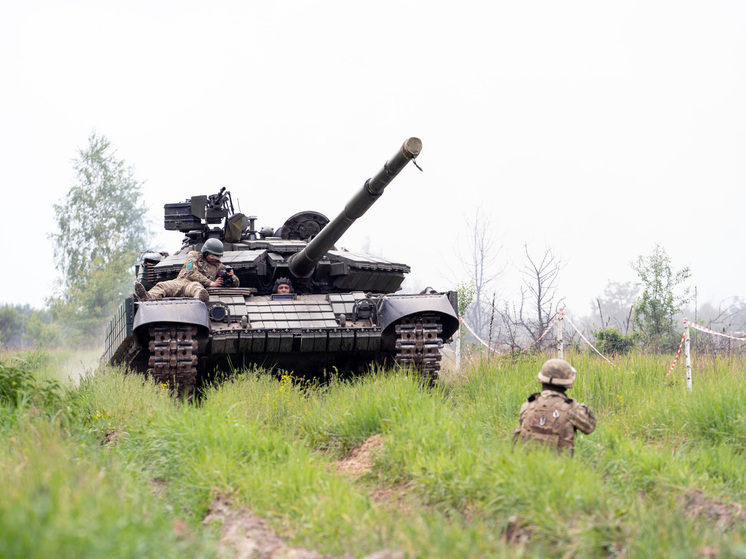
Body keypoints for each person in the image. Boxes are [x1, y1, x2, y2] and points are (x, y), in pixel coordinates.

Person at [514, 358, 596, 456]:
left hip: (527, 466)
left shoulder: (528, 406)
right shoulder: (572, 409)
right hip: (560, 468)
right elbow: (590, 427)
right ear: (566, 383)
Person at [134, 238, 239, 303]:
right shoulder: (193, 255)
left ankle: (199, 302)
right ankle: (147, 297)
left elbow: (235, 283)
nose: (214, 259)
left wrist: (231, 276)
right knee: (162, 286)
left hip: (194, 285)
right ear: (206, 252)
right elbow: (191, 272)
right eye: (212, 256)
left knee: (198, 289)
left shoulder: (218, 266)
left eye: (217, 258)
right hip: (181, 281)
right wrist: (211, 283)